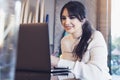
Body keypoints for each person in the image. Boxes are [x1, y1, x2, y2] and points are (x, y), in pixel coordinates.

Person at [51, 1, 111, 80]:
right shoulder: (65, 41)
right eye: (63, 18)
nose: (66, 22)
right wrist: (55, 76)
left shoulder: (96, 37)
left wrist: (58, 62)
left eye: (72, 17)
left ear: (82, 20)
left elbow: (96, 74)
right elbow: (70, 71)